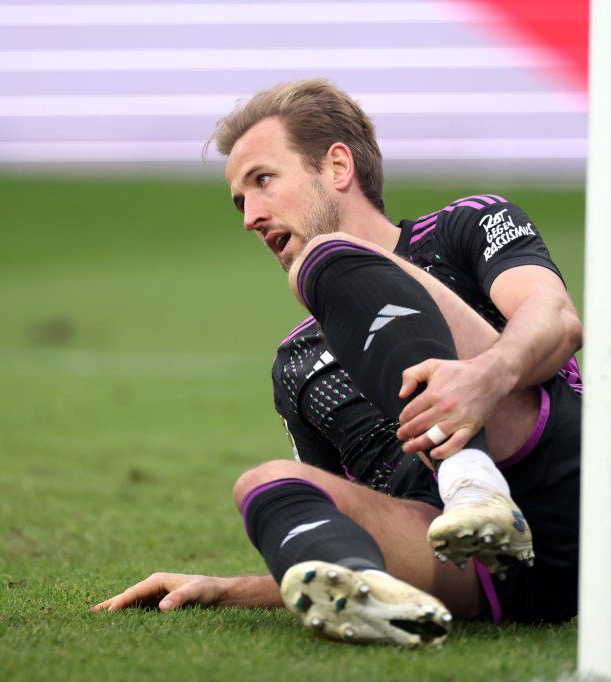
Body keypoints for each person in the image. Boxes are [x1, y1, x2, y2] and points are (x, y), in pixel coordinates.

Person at [92, 80, 584, 648]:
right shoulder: (296, 364)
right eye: (240, 200)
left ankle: (474, 484)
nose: (251, 216)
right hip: (470, 569)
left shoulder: (464, 226)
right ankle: (403, 590)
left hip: (558, 486)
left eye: (264, 180)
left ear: (338, 166)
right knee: (264, 486)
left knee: (330, 261)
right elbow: (344, 522)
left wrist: (484, 379)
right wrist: (227, 589)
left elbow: (557, 320)